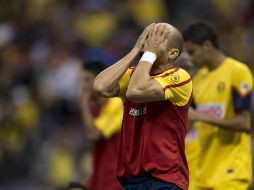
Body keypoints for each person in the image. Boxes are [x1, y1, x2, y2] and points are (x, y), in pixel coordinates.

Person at [93, 23, 192, 190]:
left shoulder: (179, 77)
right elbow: (100, 87)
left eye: (158, 38)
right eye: (149, 36)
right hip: (132, 180)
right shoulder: (135, 74)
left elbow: (135, 91)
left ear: (173, 53)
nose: (151, 41)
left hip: (165, 179)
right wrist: (134, 51)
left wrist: (149, 54)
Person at [183, 21, 253, 190]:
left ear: (207, 45)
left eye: (192, 52)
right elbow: (188, 125)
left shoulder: (237, 71)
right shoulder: (197, 80)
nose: (191, 58)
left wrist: (199, 116)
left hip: (231, 172)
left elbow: (244, 123)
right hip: (202, 175)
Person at [80, 60, 123, 190]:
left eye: (87, 80)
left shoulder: (116, 104)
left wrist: (83, 104)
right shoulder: (95, 109)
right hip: (99, 177)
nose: (83, 87)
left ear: (99, 80)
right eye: (81, 81)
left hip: (115, 180)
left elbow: (93, 135)